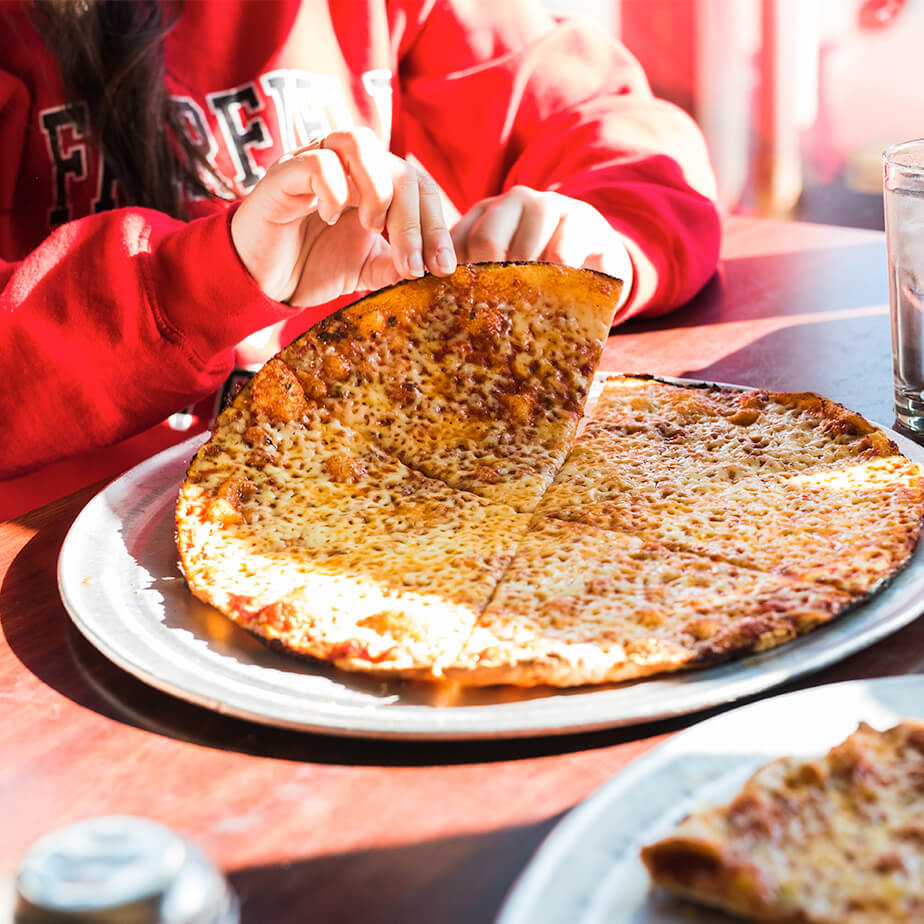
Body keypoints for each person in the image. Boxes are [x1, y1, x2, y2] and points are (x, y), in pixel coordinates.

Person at [0, 0, 721, 520]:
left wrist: (598, 239)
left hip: (389, 506)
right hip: (53, 572)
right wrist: (203, 282)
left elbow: (613, 122)